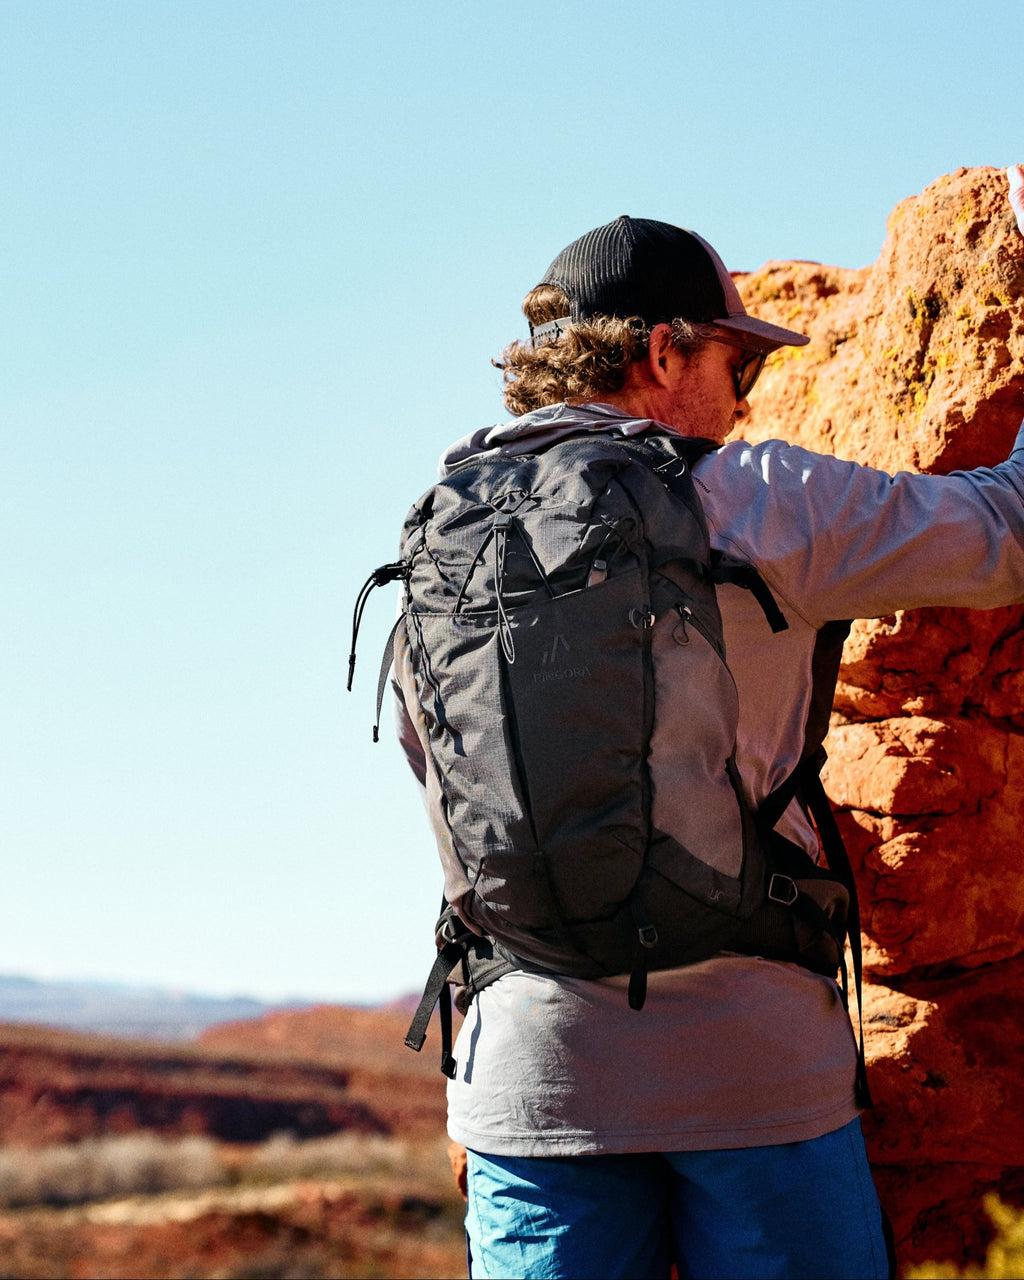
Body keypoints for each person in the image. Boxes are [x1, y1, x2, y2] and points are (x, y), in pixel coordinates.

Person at [392, 170, 1024, 1280]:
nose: (744, 402)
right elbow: (1005, 535)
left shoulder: (447, 527)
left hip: (526, 1079)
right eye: (740, 365)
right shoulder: (757, 496)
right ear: (663, 353)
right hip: (751, 1072)